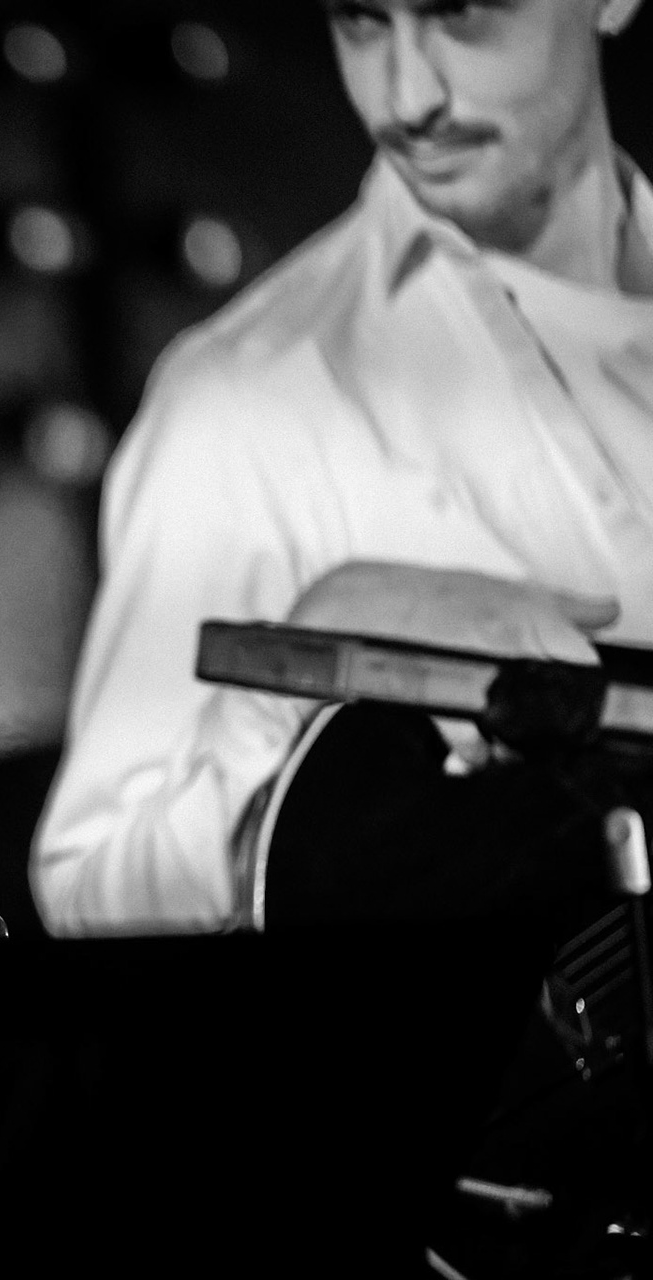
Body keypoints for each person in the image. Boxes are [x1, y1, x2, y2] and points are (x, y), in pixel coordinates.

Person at [35, 0, 653, 934]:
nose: (407, 97)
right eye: (361, 22)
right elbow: (91, 903)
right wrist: (308, 654)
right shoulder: (243, 401)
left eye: (462, 15)